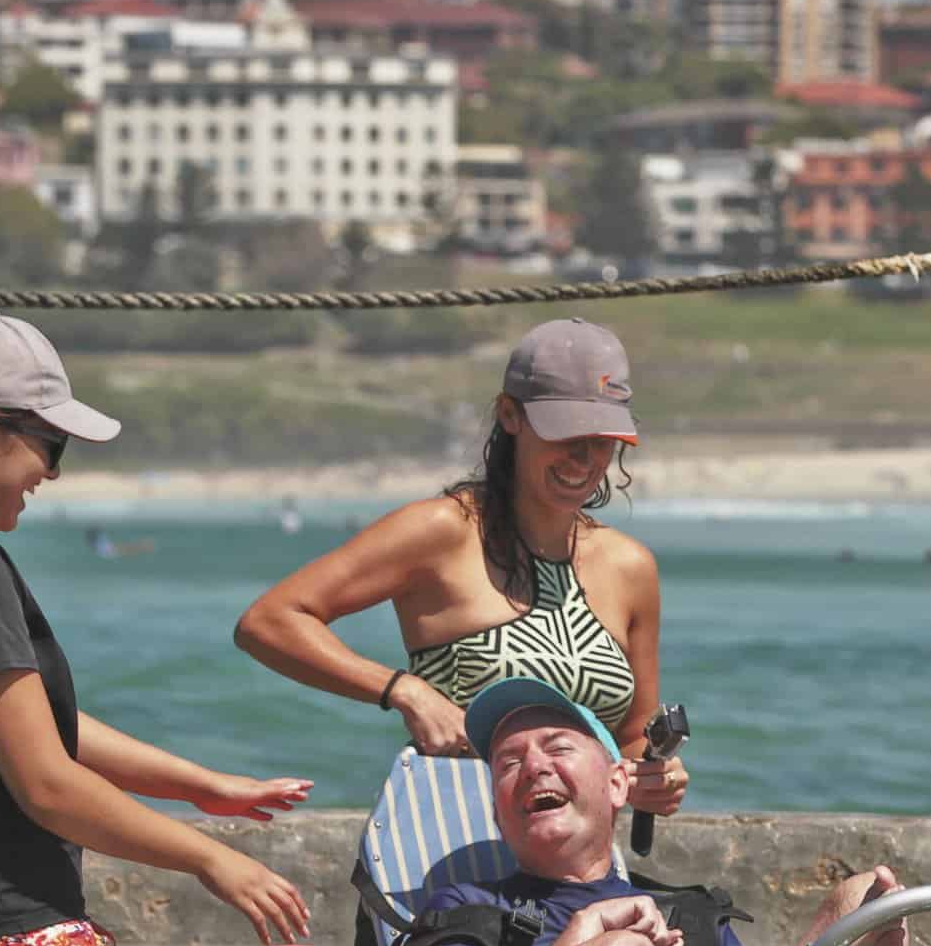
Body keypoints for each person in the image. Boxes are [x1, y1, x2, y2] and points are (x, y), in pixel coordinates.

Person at [0, 312, 314, 946]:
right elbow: (44, 782)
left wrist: (202, 787)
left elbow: (25, 725)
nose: (53, 474)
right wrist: (210, 861)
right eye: (50, 446)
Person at [233, 318, 686, 822]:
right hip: (450, 857)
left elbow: (630, 739)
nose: (584, 458)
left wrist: (656, 779)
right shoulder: (443, 531)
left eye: (602, 440)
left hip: (577, 876)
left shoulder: (631, 566)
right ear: (509, 415)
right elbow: (269, 622)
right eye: (566, 434)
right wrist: (403, 690)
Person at [407, 677, 907, 946]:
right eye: (509, 763)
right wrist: (588, 937)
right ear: (497, 812)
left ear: (617, 784)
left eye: (557, 748)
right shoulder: (466, 908)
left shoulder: (690, 913)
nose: (534, 767)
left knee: (863, 894)